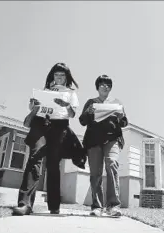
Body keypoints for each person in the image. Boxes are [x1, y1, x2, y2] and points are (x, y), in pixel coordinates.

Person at [12, 62, 81, 216]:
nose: (59, 78)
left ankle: (54, 205)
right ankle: (25, 204)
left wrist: (66, 105)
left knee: (53, 164)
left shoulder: (71, 93)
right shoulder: (45, 90)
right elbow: (33, 108)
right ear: (52, 76)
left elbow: (72, 114)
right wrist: (33, 105)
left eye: (62, 75)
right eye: (56, 75)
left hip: (59, 126)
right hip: (41, 123)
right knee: (34, 157)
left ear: (67, 77)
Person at [79, 75, 128, 217]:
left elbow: (124, 123)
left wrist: (121, 117)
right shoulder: (91, 102)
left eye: (108, 84)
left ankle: (113, 206)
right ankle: (97, 206)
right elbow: (82, 121)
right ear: (97, 87)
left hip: (112, 139)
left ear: (110, 88)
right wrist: (89, 112)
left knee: (112, 163)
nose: (105, 86)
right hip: (93, 141)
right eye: (102, 84)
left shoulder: (117, 103)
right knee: (95, 172)